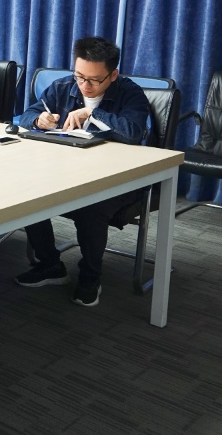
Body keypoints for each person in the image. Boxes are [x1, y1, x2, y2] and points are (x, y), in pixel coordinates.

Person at [14, 36, 150, 307]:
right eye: (80, 76)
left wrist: (92, 114)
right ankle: (51, 265)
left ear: (113, 75)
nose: (85, 86)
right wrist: (39, 119)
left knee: (91, 208)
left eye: (94, 80)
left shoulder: (130, 93)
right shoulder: (63, 86)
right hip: (68, 172)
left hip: (119, 178)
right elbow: (27, 115)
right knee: (26, 194)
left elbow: (134, 133)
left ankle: (90, 276)